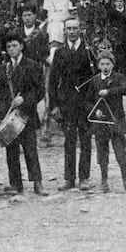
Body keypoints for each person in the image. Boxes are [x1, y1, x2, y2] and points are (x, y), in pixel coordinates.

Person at [0, 33, 46, 195]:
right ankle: (15, 184)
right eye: (8, 47)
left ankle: (37, 183)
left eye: (14, 45)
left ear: (21, 46)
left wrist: (24, 99)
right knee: (11, 151)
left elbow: (40, 91)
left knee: (30, 150)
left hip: (27, 115)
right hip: (9, 117)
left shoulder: (33, 66)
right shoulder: (3, 69)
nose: (11, 49)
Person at [47, 17, 97, 190]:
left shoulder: (89, 52)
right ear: (64, 31)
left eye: (75, 28)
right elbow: (53, 81)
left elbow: (97, 79)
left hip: (85, 103)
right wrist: (53, 106)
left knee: (85, 140)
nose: (72, 31)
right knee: (69, 141)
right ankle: (69, 178)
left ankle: (84, 177)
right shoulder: (60, 53)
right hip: (66, 103)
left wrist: (94, 103)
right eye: (69, 29)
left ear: (80, 30)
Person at [89, 50, 126, 194]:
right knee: (102, 153)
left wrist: (109, 92)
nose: (105, 67)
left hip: (116, 119)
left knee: (120, 152)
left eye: (108, 64)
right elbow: (87, 100)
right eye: (102, 64)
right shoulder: (95, 80)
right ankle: (104, 182)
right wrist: (94, 109)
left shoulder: (119, 78)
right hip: (100, 121)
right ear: (98, 65)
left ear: (113, 64)